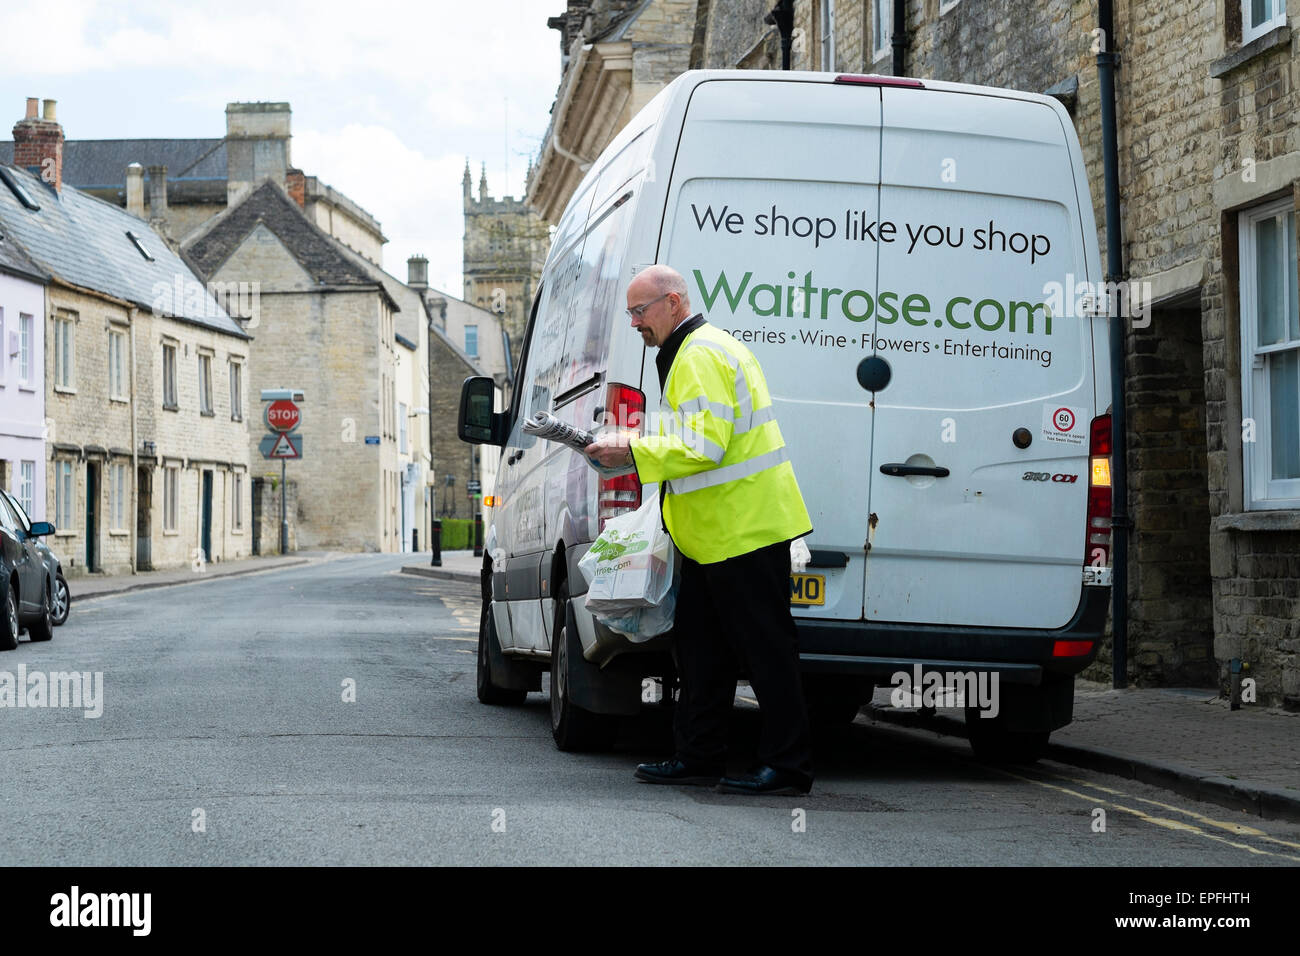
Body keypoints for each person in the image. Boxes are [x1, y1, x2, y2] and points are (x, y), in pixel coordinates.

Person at [585, 264, 816, 795]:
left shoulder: (700, 355)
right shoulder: (699, 350)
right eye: (630, 314)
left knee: (765, 652)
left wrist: (629, 450)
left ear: (673, 302)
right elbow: (696, 435)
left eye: (640, 311)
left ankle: (788, 767)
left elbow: (704, 446)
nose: (635, 323)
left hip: (744, 529)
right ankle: (698, 754)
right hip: (719, 533)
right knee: (701, 651)